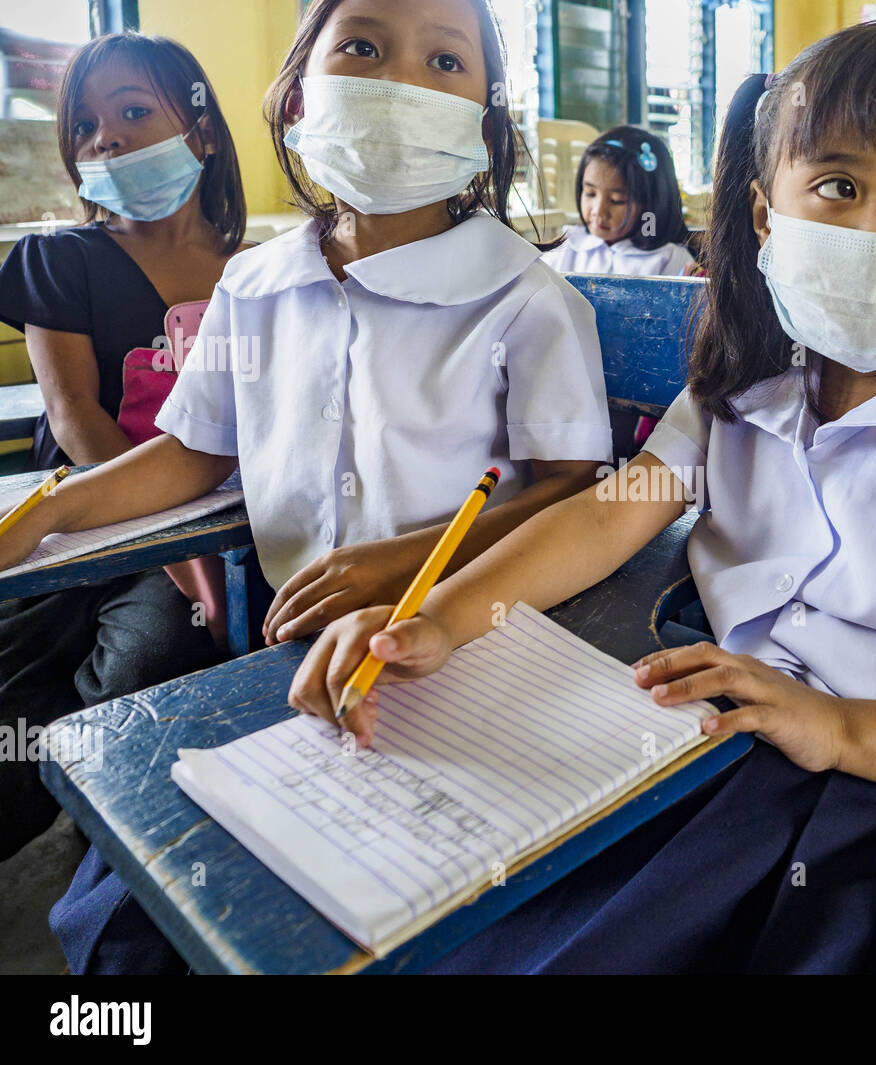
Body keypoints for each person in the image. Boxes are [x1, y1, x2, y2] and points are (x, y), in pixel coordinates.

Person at [292, 23, 876, 974]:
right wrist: (438, 617)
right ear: (766, 217)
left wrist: (841, 728)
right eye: (839, 186)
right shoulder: (747, 389)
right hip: (749, 771)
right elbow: (606, 514)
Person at [13, 0, 613, 973]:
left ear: (486, 125)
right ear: (295, 97)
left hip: (465, 668)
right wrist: (44, 513)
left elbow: (570, 489)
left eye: (445, 60)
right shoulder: (253, 286)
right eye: (364, 48)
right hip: (282, 677)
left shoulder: (524, 296)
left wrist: (410, 560)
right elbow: (195, 452)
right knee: (126, 931)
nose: (398, 82)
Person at [0, 32, 248, 860]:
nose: (103, 138)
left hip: (209, 526)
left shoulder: (257, 272)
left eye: (133, 111)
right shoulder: (60, 260)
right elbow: (75, 421)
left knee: (153, 661)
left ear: (203, 134)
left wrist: (194, 555)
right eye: (84, 126)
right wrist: (173, 551)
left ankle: (104, 827)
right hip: (83, 516)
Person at [541, 126, 697, 276]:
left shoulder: (670, 260)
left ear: (650, 203)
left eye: (617, 200)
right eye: (590, 193)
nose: (598, 211)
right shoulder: (567, 249)